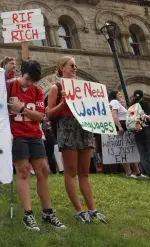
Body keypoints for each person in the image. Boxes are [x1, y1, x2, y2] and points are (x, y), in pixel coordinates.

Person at [46, 56, 106, 224]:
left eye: (76, 66)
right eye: (72, 65)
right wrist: (63, 103)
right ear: (62, 68)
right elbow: (49, 114)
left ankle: (93, 209)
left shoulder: (84, 88)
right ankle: (80, 210)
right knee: (71, 172)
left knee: (85, 172)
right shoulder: (56, 88)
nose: (75, 68)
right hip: (67, 128)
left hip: (84, 128)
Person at [7, 60, 65, 231]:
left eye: (32, 80)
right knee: (23, 171)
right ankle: (28, 214)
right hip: (17, 135)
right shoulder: (9, 86)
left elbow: (40, 116)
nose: (29, 83)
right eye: (26, 79)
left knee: (43, 171)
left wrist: (22, 109)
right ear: (21, 73)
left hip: (34, 135)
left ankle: (48, 212)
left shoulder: (38, 91)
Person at [109, 90, 145, 178]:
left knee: (129, 149)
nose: (120, 94)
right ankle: (129, 173)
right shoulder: (114, 102)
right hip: (122, 126)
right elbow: (114, 114)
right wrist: (119, 127)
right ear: (114, 95)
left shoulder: (117, 103)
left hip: (124, 126)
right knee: (124, 150)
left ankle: (137, 172)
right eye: (118, 93)